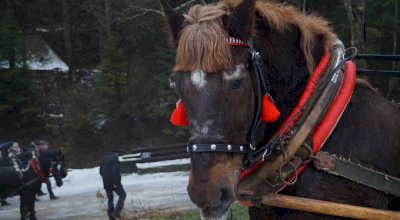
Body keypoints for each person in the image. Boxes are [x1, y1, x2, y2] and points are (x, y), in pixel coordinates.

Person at [99, 148, 126, 220]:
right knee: (122, 195)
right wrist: (116, 182)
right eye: (118, 153)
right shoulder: (114, 158)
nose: (118, 155)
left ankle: (111, 214)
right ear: (116, 153)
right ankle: (116, 213)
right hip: (114, 182)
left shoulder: (104, 159)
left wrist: (106, 179)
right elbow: (115, 171)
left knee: (110, 198)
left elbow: (101, 172)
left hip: (106, 182)